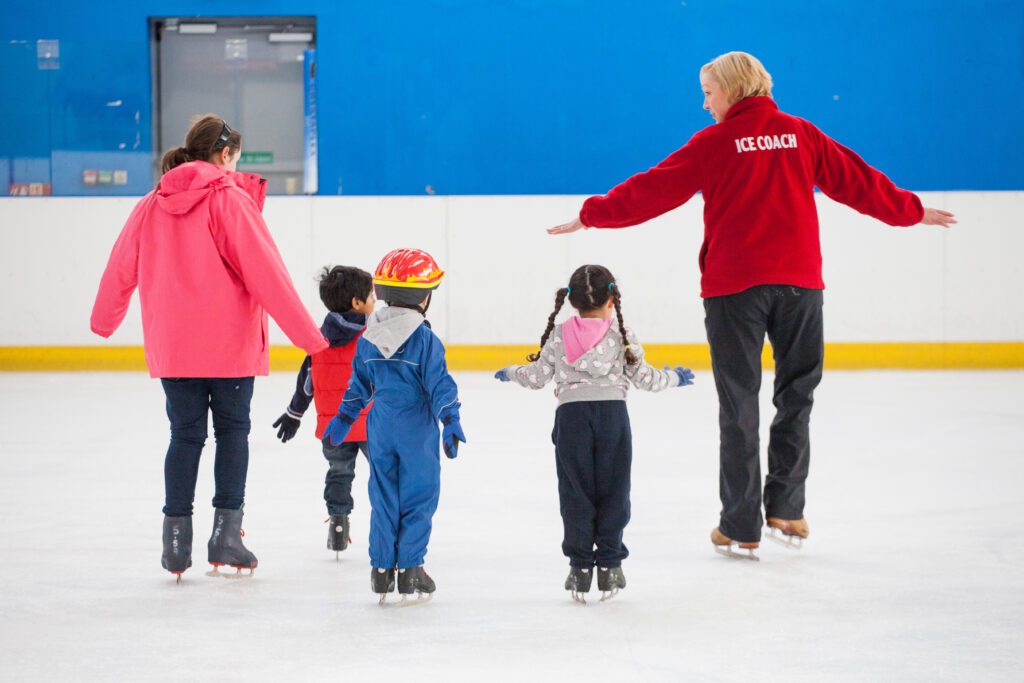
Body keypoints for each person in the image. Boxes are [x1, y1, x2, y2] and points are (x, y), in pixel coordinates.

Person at [547, 52, 956, 560]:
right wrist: (910, 210)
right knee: (797, 394)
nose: (704, 104)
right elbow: (858, 180)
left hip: (733, 290)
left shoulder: (714, 142)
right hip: (800, 287)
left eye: (709, 92)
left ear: (734, 89)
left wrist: (593, 214)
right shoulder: (800, 134)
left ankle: (741, 524)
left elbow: (654, 189)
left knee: (738, 404)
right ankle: (787, 507)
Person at [90, 114, 329, 581]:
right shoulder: (229, 200)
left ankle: (175, 544)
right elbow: (269, 276)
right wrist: (310, 339)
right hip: (228, 347)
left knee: (184, 437)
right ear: (225, 156)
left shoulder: (150, 204)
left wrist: (104, 321)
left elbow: (120, 266)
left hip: (174, 347)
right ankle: (226, 538)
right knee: (232, 433)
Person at [495, 264, 694, 602]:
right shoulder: (622, 333)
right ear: (612, 298)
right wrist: (674, 377)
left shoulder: (559, 334)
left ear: (571, 301)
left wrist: (514, 371)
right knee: (615, 490)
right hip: (612, 418)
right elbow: (645, 378)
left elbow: (537, 377)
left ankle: (580, 568)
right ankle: (611, 566)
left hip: (571, 418)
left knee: (576, 492)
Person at [322, 248, 465, 604]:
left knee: (384, 495)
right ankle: (411, 569)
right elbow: (439, 385)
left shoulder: (369, 337)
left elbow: (359, 386)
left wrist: (343, 419)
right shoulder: (425, 339)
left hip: (380, 426)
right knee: (418, 496)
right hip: (416, 428)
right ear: (423, 296)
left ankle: (382, 570)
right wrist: (450, 418)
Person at [272, 266, 375, 558]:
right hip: (370, 425)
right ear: (357, 302)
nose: (375, 299)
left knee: (339, 474)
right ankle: (386, 523)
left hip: (332, 427)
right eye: (371, 295)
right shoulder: (374, 336)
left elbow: (307, 382)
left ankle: (339, 525)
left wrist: (294, 413)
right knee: (382, 475)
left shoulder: (318, 339)